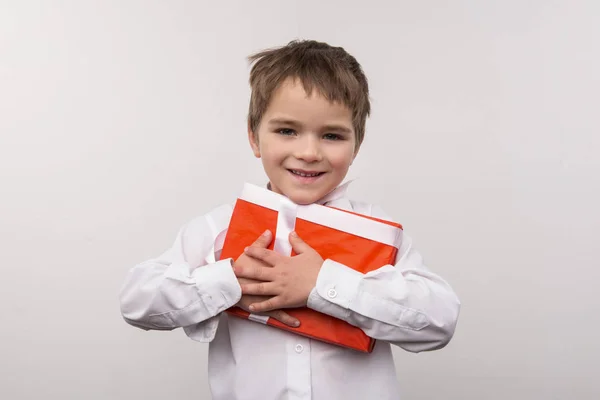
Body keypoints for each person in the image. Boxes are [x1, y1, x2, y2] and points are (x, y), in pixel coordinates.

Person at [120, 39, 460, 400]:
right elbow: (137, 303)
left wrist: (323, 284)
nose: (309, 152)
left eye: (332, 135)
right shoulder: (218, 229)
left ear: (356, 145)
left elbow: (438, 323)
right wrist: (230, 281)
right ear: (254, 137)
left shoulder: (380, 232)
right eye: (286, 131)